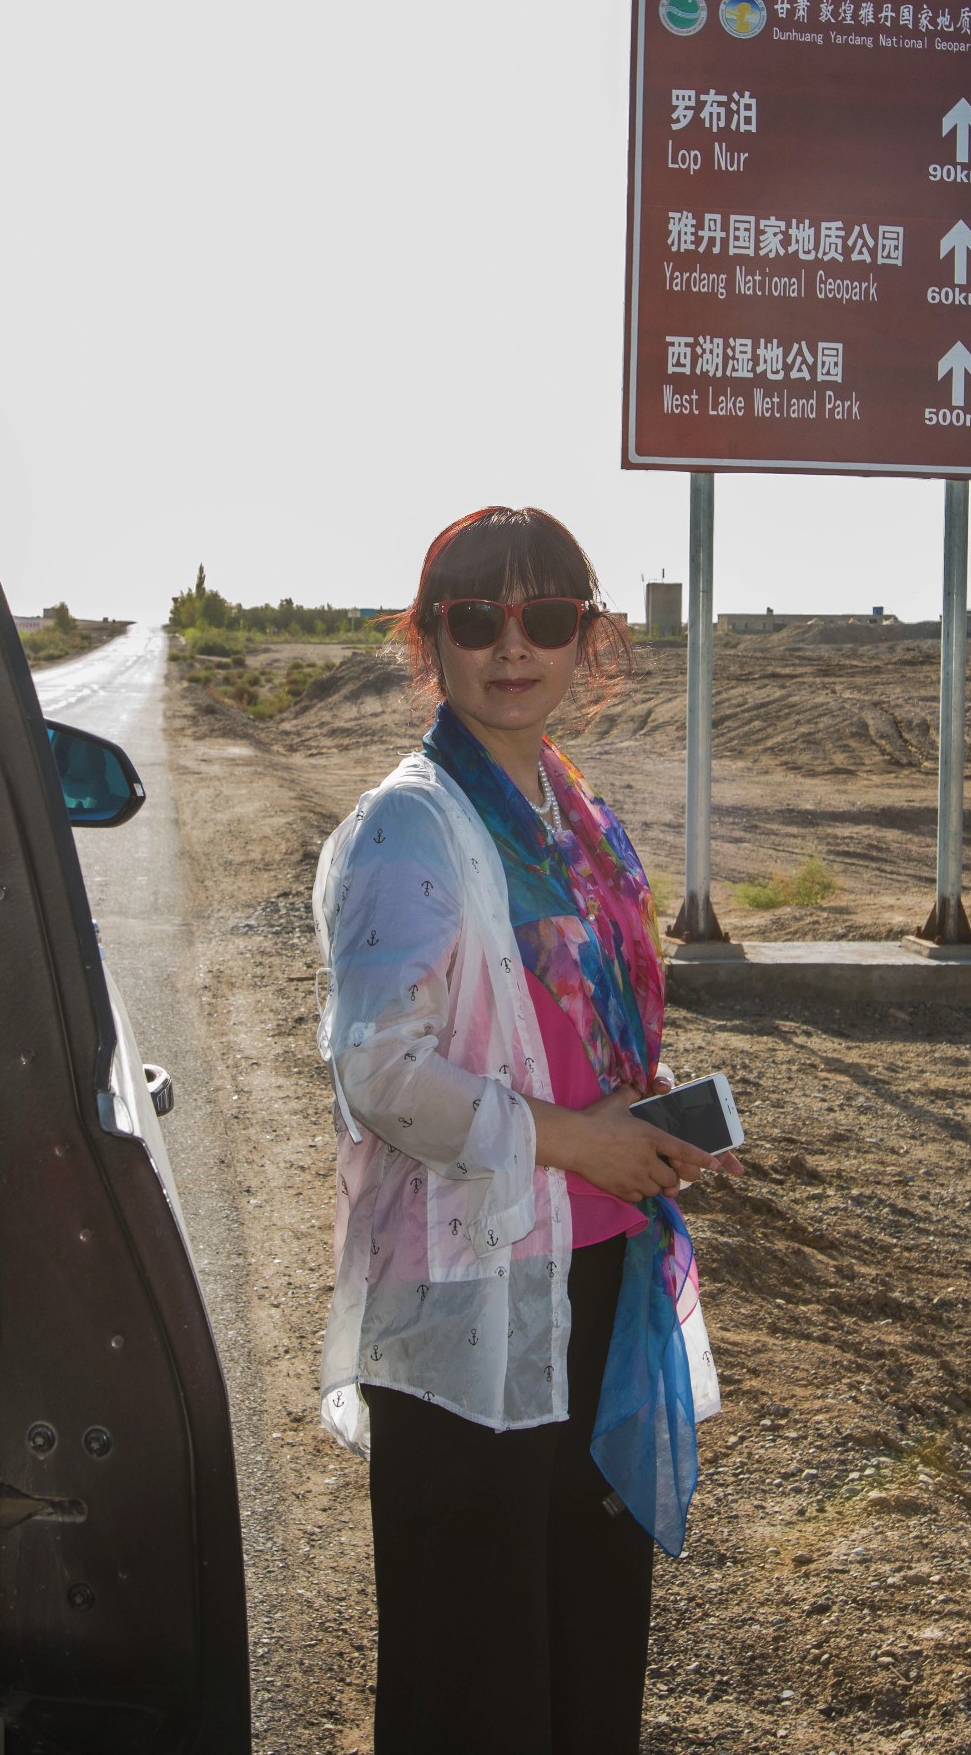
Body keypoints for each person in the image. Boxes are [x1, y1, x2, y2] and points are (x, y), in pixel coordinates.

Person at [311, 505, 740, 1755]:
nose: (513, 646)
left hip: (598, 1272)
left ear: (584, 638)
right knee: (475, 1669)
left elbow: (579, 1031)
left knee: (585, 1648)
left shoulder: (575, 816)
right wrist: (576, 1140)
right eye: (476, 618)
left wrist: (640, 1121)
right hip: (470, 1292)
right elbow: (380, 1067)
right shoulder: (410, 826)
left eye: (545, 617)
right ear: (428, 638)